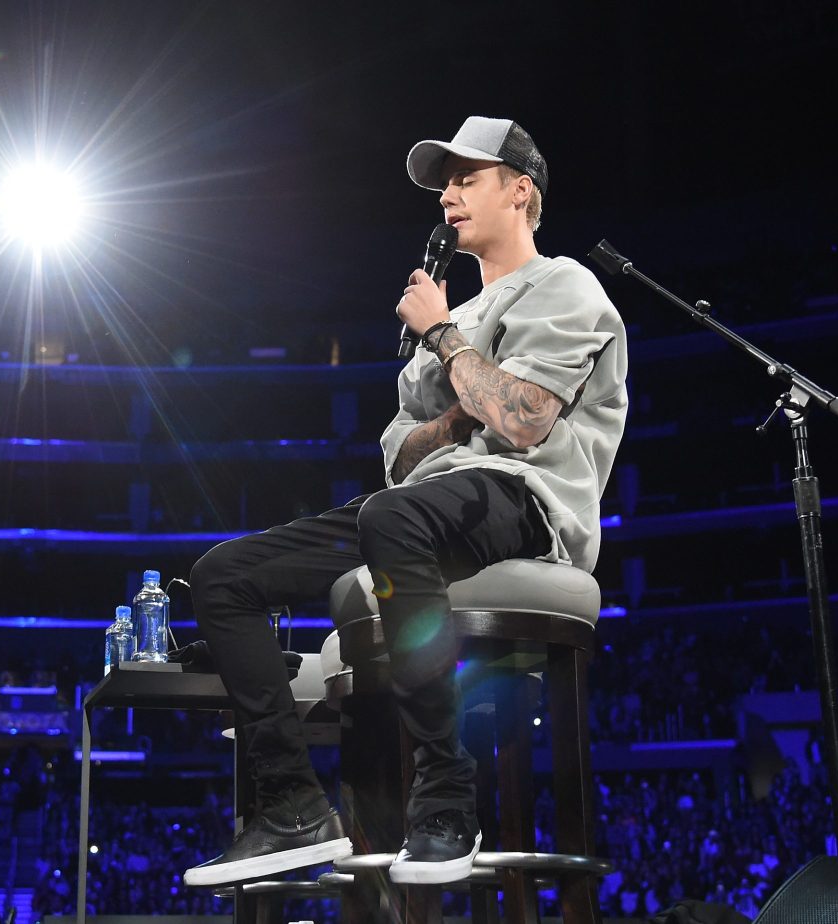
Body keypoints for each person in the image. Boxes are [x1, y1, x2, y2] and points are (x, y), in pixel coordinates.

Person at [185, 116, 627, 887]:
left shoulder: (563, 285)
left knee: (392, 518)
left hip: (523, 501)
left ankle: (446, 798)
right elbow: (399, 455)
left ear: (520, 192)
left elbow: (524, 422)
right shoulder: (445, 320)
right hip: (418, 509)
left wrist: (446, 340)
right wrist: (459, 404)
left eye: (467, 179)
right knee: (223, 575)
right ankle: (291, 805)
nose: (448, 197)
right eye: (443, 185)